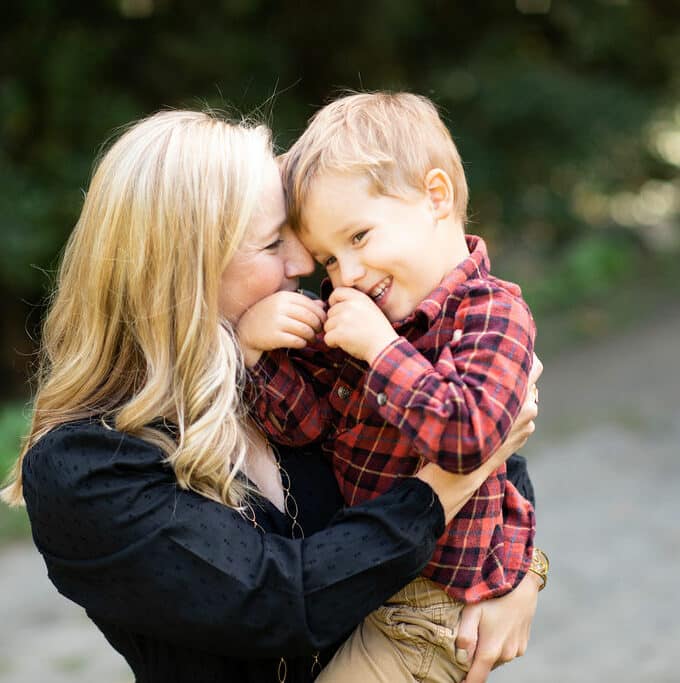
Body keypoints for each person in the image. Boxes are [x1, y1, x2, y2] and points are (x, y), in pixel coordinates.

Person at [1, 109, 543, 683]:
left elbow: (488, 443)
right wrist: (444, 488)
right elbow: (279, 603)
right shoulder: (87, 465)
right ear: (184, 271)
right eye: (272, 243)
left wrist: (525, 570)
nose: (308, 264)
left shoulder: (291, 353)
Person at [238, 92, 547, 683]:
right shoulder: (372, 316)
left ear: (436, 197)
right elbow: (306, 427)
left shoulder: (491, 314)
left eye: (358, 237)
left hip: (429, 611)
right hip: (368, 586)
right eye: (329, 259)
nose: (347, 276)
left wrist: (382, 351)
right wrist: (254, 353)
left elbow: (470, 439)